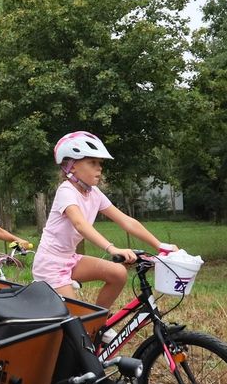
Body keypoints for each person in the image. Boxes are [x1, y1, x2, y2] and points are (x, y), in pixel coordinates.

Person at [31, 131, 175, 317]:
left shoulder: (94, 193)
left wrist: (160, 245)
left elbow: (127, 221)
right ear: (71, 166)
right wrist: (112, 249)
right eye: (92, 163)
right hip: (50, 265)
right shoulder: (66, 191)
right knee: (75, 322)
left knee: (118, 273)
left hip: (70, 259)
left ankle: (98, 325)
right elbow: (80, 224)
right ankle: (86, 332)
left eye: (100, 164)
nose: (99, 168)